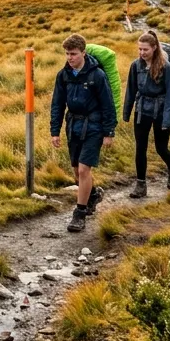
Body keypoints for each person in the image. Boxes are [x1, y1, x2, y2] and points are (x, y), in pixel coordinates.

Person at [49, 33, 116, 233]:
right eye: (67, 54)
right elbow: (57, 104)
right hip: (73, 125)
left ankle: (79, 213)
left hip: (93, 126)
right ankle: (93, 194)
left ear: (83, 53)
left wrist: (108, 132)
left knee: (84, 170)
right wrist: (55, 131)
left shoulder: (97, 75)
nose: (70, 58)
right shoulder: (63, 75)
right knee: (76, 172)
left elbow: (108, 104)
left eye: (74, 54)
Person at [123, 31, 170, 197]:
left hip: (161, 111)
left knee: (161, 148)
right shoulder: (136, 65)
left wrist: (167, 119)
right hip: (142, 111)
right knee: (140, 148)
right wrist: (127, 112)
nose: (142, 53)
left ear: (154, 48)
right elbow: (131, 89)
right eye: (139, 49)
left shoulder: (166, 66)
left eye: (145, 49)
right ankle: (141, 185)